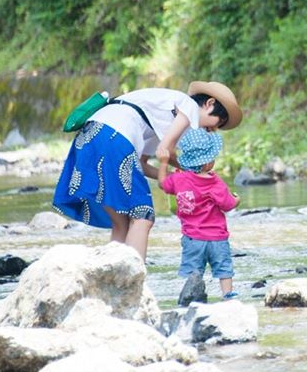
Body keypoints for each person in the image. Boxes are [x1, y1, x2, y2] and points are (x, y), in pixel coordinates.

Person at [52, 81, 242, 260]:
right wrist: (194, 174)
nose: (211, 130)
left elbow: (142, 164)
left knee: (122, 221)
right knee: (143, 215)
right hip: (116, 137)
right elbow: (164, 151)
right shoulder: (189, 106)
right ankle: (136, 283)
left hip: (91, 136)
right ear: (209, 104)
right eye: (216, 123)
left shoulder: (162, 117)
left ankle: (110, 275)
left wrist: (170, 176)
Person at [159, 127, 240, 300]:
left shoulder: (179, 179)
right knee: (224, 268)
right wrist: (237, 200)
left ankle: (192, 295)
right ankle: (227, 295)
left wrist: (164, 162)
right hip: (217, 238)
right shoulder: (214, 182)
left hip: (193, 239)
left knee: (194, 271)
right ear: (207, 163)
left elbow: (162, 184)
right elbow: (227, 204)